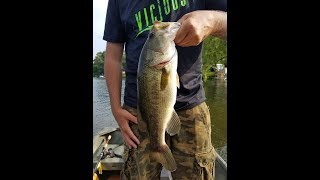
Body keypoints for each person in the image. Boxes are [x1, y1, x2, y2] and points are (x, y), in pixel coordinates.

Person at [103, 0, 227, 179]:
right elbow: (113, 55)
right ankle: (158, 146)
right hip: (137, 111)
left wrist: (213, 19)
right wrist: (115, 108)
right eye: (153, 35)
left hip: (192, 106)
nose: (157, 29)